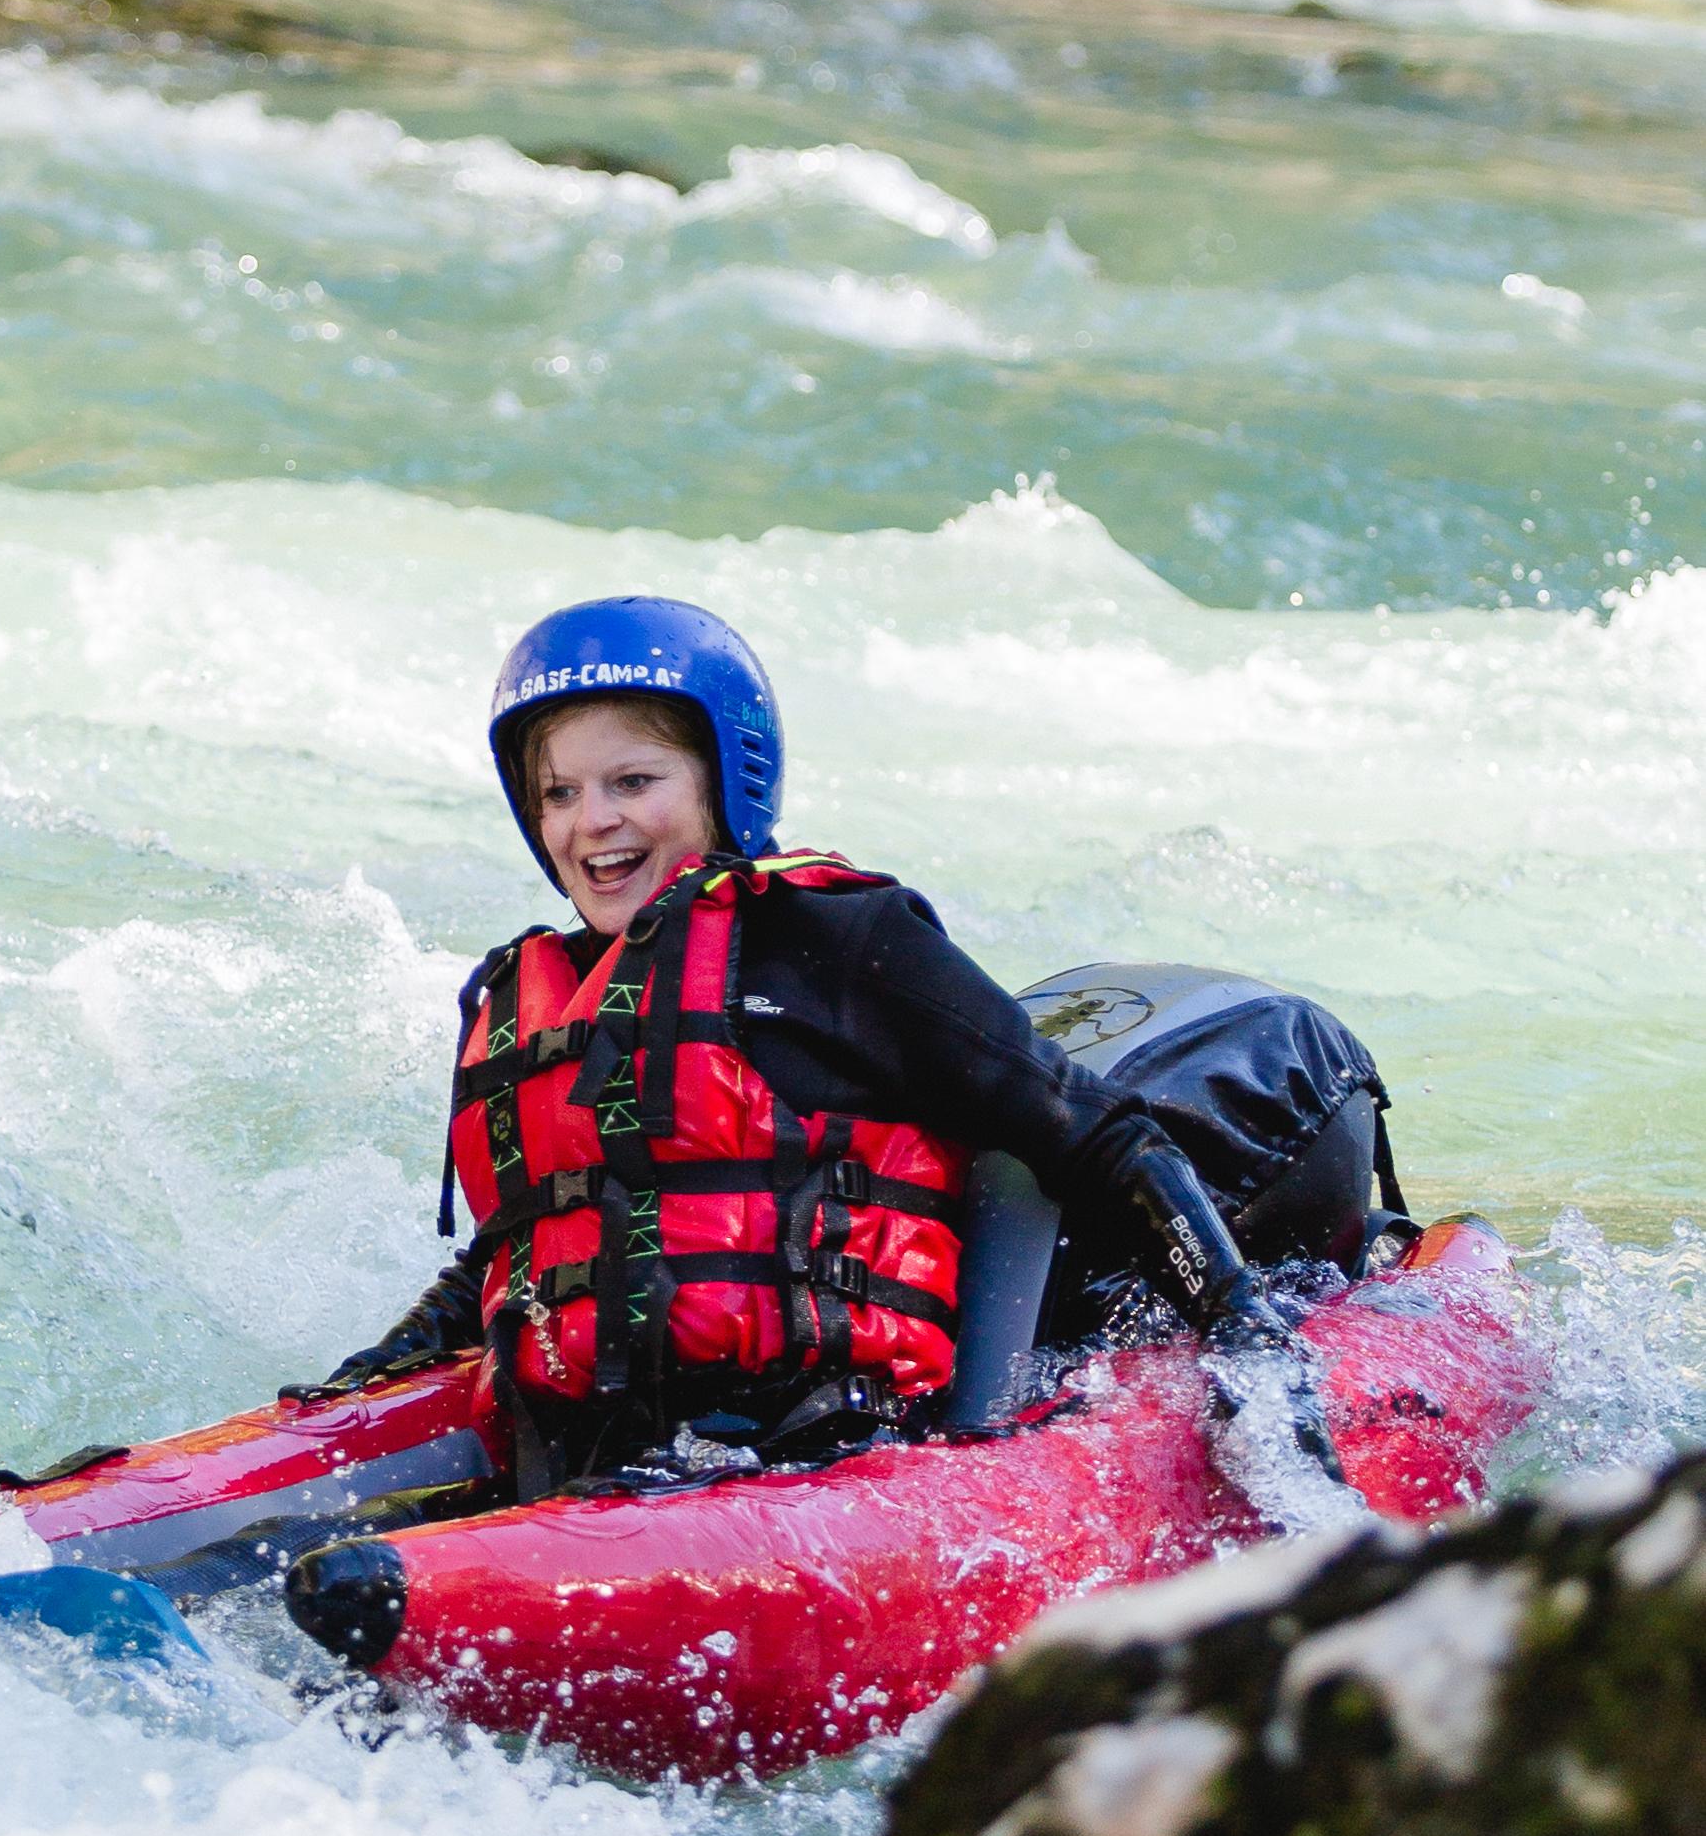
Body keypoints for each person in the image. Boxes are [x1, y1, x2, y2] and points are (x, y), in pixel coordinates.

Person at [299, 595, 1356, 1502]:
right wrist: (369, 1375)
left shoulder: (841, 942)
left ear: (722, 780)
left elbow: (1095, 1135)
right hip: (603, 1462)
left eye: (633, 781)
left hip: (822, 1451)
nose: (592, 824)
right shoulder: (549, 999)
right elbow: (534, 1244)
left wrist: (1242, 1327)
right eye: (561, 793)